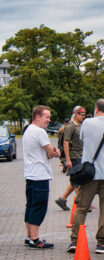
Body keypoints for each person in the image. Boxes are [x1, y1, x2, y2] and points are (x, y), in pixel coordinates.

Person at [68, 99, 104, 254]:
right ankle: (101, 243)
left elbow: (81, 139)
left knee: (82, 208)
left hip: (89, 174)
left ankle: (75, 241)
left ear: (96, 109)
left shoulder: (87, 123)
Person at [23, 105, 60, 249]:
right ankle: (35, 239)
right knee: (39, 206)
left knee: (31, 205)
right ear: (37, 117)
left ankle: (29, 236)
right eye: (47, 117)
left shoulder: (28, 130)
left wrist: (51, 151)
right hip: (40, 175)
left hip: (30, 174)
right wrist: (55, 152)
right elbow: (50, 152)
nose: (49, 120)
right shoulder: (39, 132)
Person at [55, 106, 85, 211]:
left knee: (74, 180)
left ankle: (62, 199)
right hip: (73, 157)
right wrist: (67, 160)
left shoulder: (80, 125)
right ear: (76, 114)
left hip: (80, 155)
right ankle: (81, 203)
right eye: (82, 114)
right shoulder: (70, 126)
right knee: (77, 180)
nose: (83, 116)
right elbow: (65, 142)